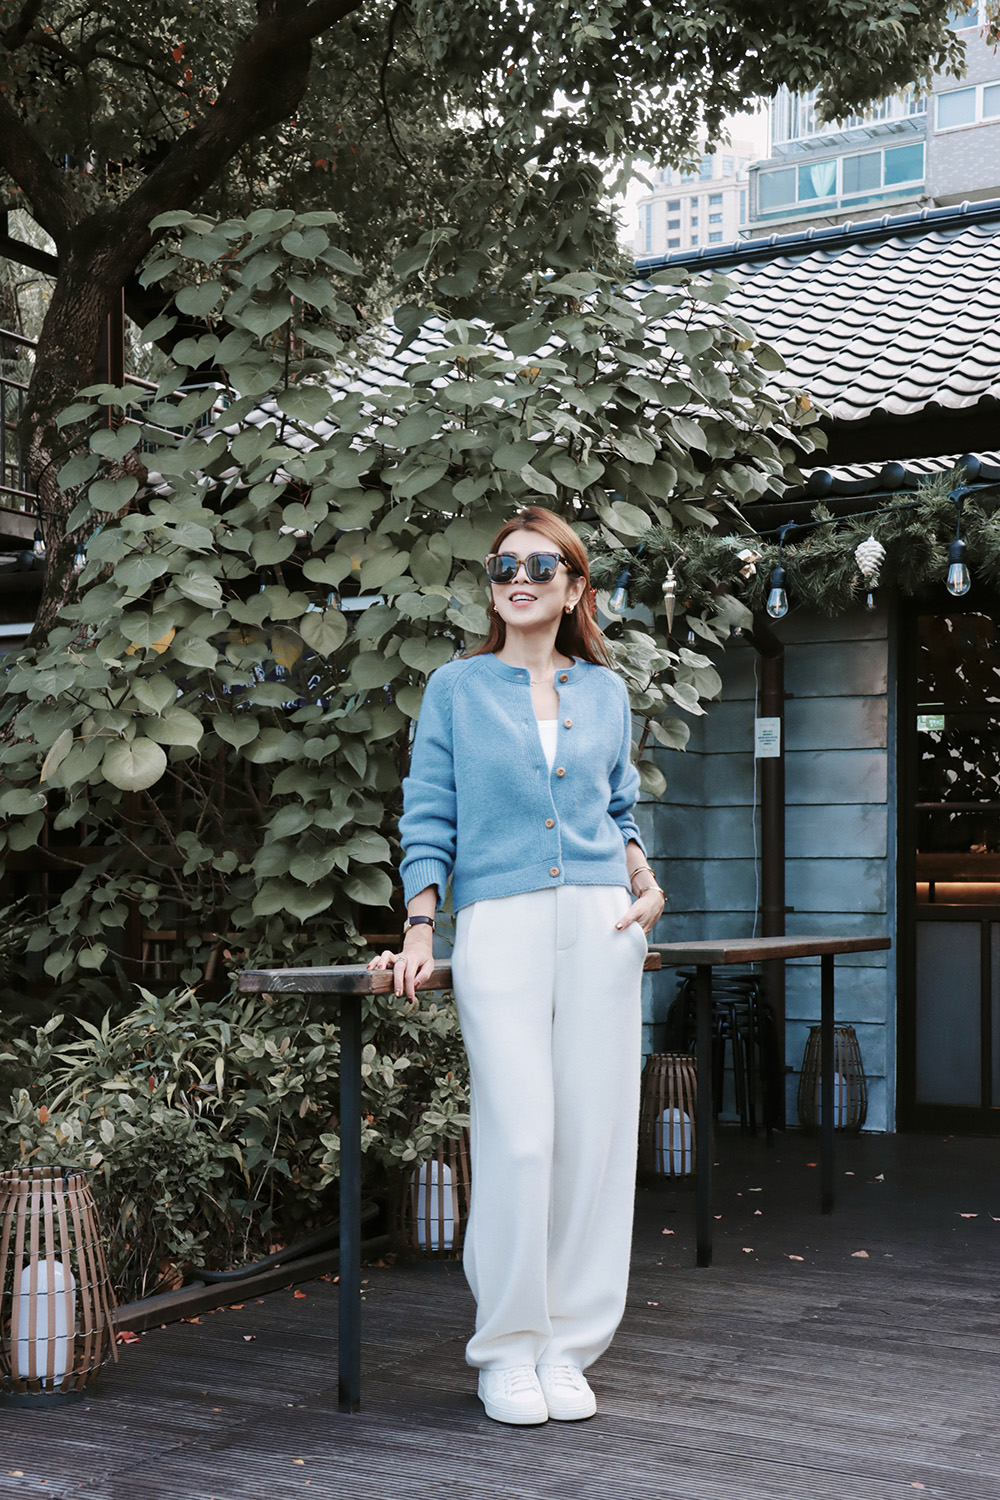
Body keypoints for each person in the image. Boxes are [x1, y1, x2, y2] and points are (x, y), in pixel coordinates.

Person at [368, 505, 665, 1426]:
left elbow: (618, 810)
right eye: (504, 567)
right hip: (499, 922)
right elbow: (429, 813)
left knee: (593, 1141)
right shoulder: (456, 689)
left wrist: (646, 883)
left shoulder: (605, 693)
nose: (520, 579)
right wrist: (422, 928)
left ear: (574, 588)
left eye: (541, 566)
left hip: (602, 924)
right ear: (491, 587)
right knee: (521, 1137)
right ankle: (506, 1347)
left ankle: (568, 1347)